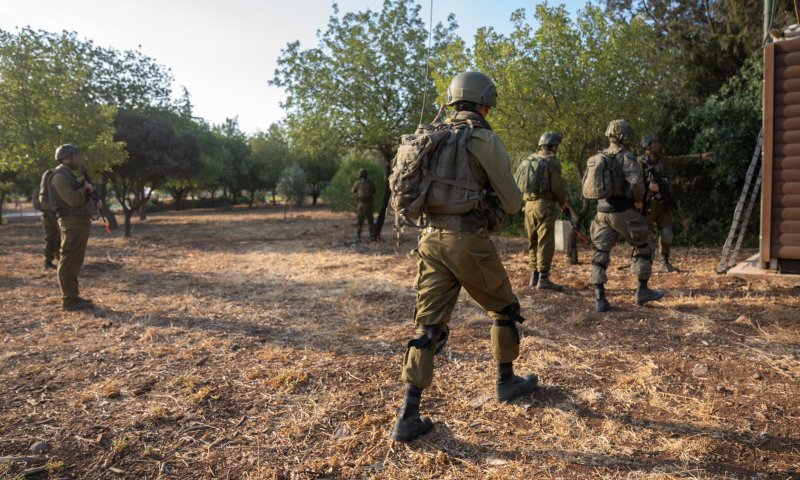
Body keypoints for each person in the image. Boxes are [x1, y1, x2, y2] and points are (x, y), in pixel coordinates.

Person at [391, 72, 537, 443]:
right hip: (467, 241)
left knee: (428, 328)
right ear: (483, 103)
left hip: (430, 240)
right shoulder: (483, 138)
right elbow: (514, 202)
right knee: (505, 309)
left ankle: (408, 415)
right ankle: (506, 382)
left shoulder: (432, 137)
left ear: (454, 102)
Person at [587, 120, 664, 312]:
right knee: (644, 247)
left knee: (600, 254)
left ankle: (600, 299)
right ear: (626, 137)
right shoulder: (626, 157)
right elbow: (636, 182)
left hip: (601, 212)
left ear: (608, 136)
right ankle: (642, 291)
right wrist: (639, 200)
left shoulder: (598, 157)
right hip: (623, 212)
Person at [638, 134, 714, 272]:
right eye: (655, 143)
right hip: (647, 203)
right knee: (642, 233)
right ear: (647, 145)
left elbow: (680, 160)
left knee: (667, 232)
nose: (659, 145)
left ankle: (664, 262)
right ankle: (638, 261)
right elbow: (632, 182)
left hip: (663, 203)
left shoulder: (663, 160)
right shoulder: (640, 162)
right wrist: (647, 186)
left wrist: (700, 156)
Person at [516, 132, 573, 290]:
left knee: (532, 240)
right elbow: (557, 186)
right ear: (553, 146)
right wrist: (562, 202)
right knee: (545, 242)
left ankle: (533, 276)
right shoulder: (552, 162)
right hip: (544, 205)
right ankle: (543, 278)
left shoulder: (528, 160)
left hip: (528, 205)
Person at [49, 144, 101, 311]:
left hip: (78, 222)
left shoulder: (68, 175)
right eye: (75, 156)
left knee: (75, 260)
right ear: (65, 158)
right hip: (71, 223)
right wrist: (84, 189)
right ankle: (70, 301)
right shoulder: (59, 177)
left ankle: (73, 297)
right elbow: (72, 200)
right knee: (68, 261)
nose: (78, 159)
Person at [351, 169, 376, 242]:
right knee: (370, 221)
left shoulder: (357, 183)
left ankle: (358, 237)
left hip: (361, 204)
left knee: (360, 221)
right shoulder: (371, 183)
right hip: (369, 204)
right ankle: (372, 237)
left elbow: (353, 191)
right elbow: (374, 191)